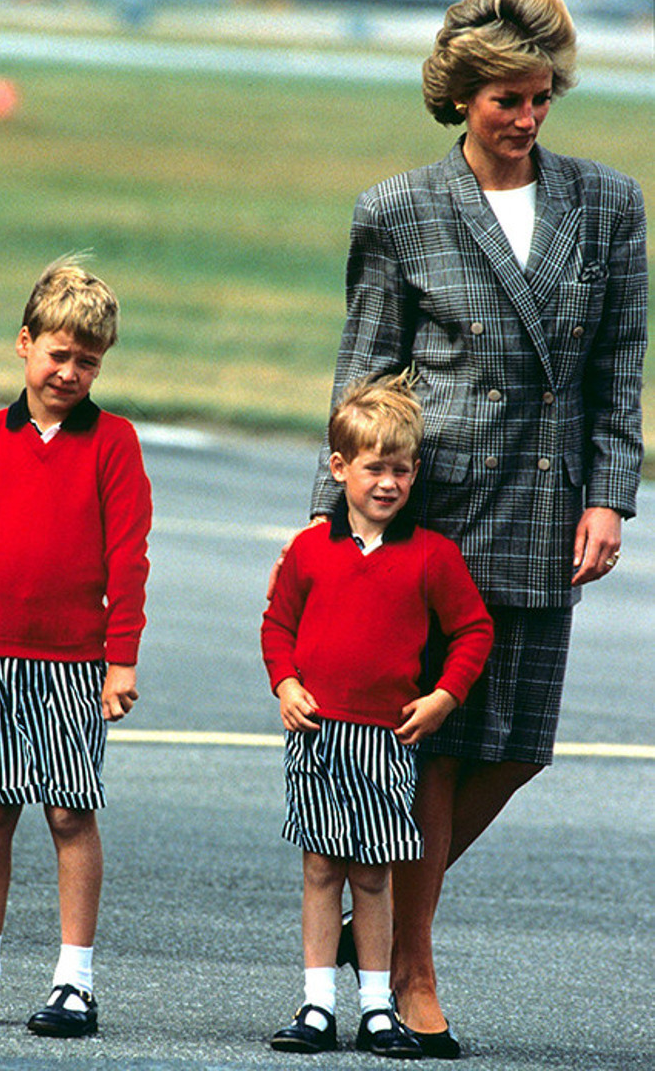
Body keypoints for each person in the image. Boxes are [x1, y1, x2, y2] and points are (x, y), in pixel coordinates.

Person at [274, 0, 648, 1058]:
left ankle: (375, 918)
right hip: (429, 514)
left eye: (540, 99)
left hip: (543, 504)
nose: (526, 119)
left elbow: (619, 364)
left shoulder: (607, 203)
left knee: (515, 744)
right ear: (459, 98)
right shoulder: (396, 209)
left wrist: (608, 492)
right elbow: (362, 372)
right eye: (505, 101)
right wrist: (323, 525)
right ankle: (412, 967)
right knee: (431, 747)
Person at [0, 256, 152, 1038]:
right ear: (25, 344)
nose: (71, 372)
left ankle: (73, 983)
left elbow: (129, 557)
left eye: (88, 361)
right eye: (59, 354)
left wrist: (120, 658)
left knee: (68, 814)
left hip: (75, 665)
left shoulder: (114, 444)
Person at [262, 373, 493, 1058]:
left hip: (387, 741)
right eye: (373, 468)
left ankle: (375, 1007)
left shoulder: (432, 556)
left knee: (372, 872)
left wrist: (445, 695)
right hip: (319, 735)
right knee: (319, 870)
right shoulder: (309, 550)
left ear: (415, 472)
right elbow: (277, 624)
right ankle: (314, 1004)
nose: (388, 483)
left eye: (401, 469)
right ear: (339, 469)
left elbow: (472, 630)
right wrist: (286, 684)